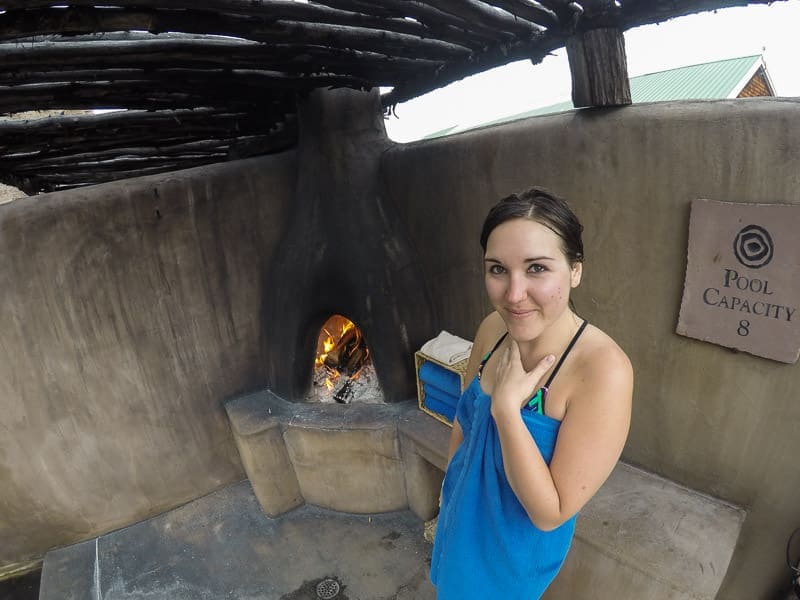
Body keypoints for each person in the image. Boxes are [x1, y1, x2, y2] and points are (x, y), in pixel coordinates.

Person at [430, 187, 633, 599]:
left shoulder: (602, 370)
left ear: (575, 270)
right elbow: (463, 421)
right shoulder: (492, 329)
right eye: (497, 269)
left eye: (537, 268)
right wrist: (449, 492)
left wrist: (506, 410)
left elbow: (550, 513)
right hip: (457, 526)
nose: (513, 294)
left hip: (508, 560)